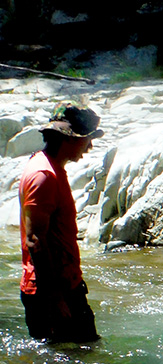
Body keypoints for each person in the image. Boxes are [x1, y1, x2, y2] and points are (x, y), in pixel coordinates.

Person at [18, 102, 103, 343]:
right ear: (69, 139)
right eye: (88, 139)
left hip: (62, 286)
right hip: (52, 292)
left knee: (76, 360)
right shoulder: (43, 175)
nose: (90, 146)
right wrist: (56, 300)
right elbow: (35, 241)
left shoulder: (50, 167)